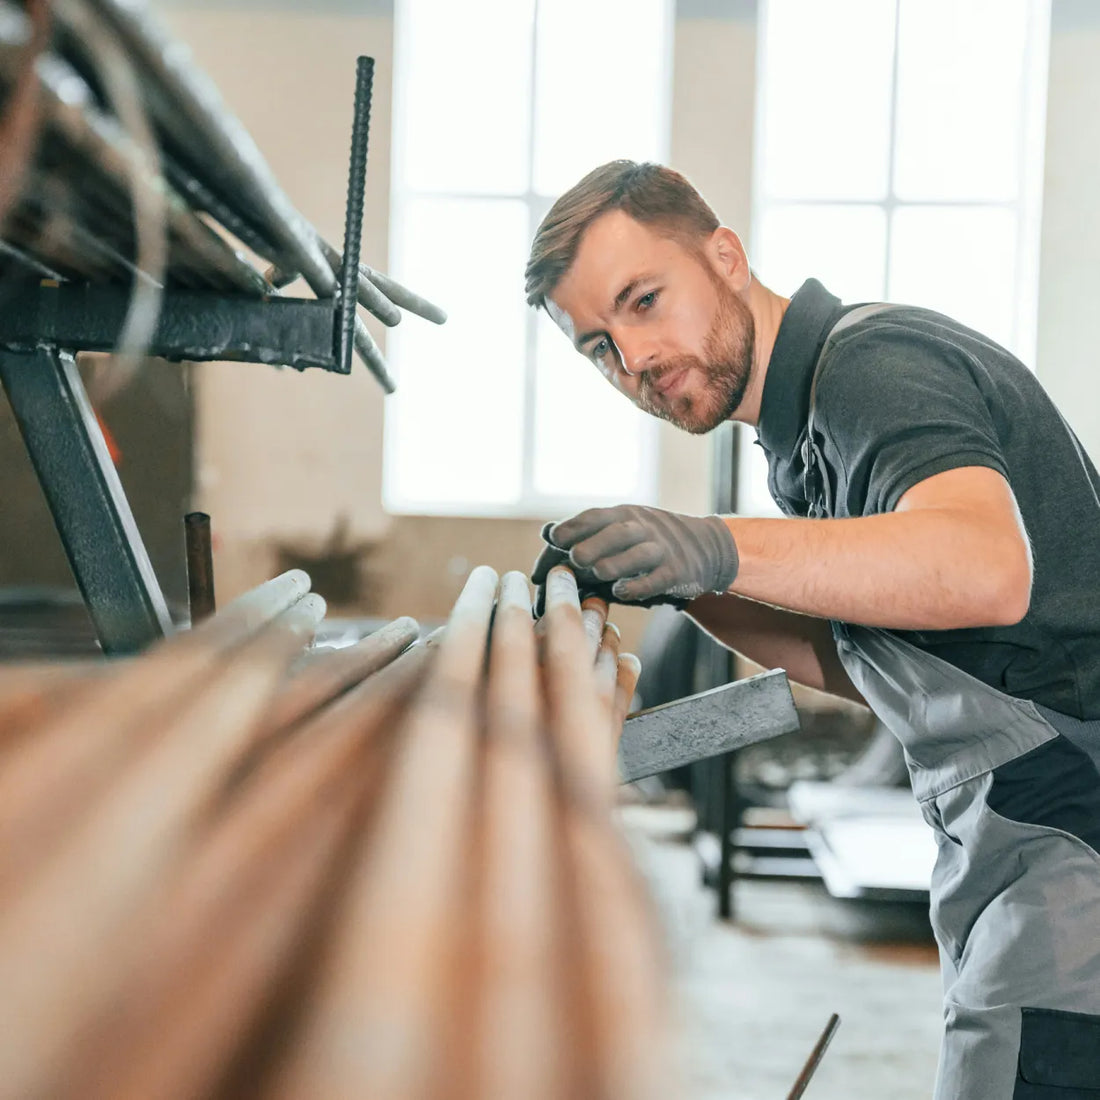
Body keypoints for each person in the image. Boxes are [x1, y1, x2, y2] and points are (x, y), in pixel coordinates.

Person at [526, 160, 1100, 1099]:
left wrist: (712, 546)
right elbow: (854, 661)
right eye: (597, 345)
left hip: (1074, 831)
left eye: (643, 300)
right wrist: (678, 583)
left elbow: (985, 571)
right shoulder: (803, 444)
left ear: (725, 254)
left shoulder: (872, 369)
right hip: (1014, 840)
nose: (632, 360)